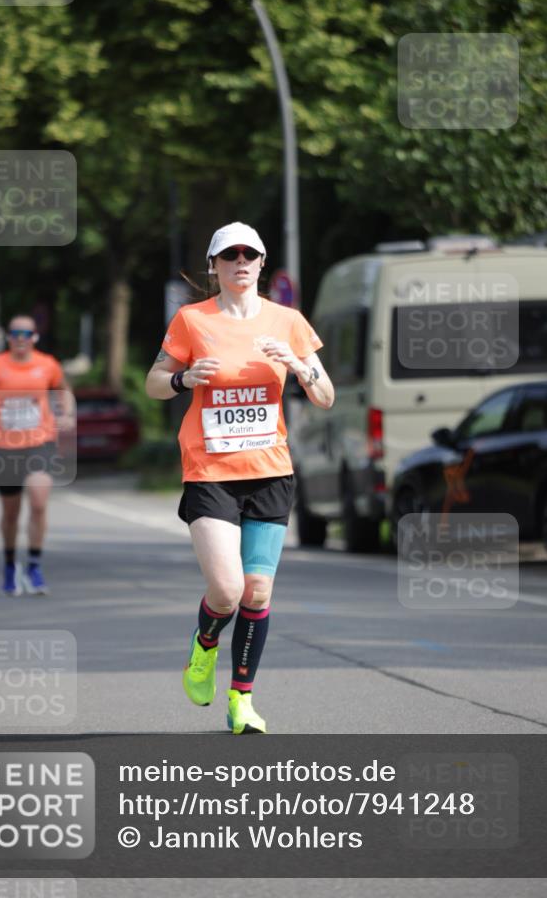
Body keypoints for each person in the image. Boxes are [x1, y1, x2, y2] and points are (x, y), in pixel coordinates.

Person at [145, 222, 334, 734]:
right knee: (227, 590)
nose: (241, 261)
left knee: (258, 590)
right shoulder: (192, 320)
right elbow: (155, 383)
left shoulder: (288, 321)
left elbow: (325, 396)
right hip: (210, 471)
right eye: (230, 255)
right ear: (215, 266)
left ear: (262, 263)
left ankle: (242, 700)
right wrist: (184, 378)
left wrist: (298, 364)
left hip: (270, 471)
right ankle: (204, 646)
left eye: (250, 254)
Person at [0, 315, 75, 596]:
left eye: (26, 333)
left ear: (34, 337)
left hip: (40, 442)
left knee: (39, 502)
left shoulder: (47, 365)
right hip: (5, 445)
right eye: (15, 333)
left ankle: (34, 565)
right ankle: (9, 564)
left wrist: (66, 414)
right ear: (8, 337)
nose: (20, 338)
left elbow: (64, 391)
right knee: (10, 512)